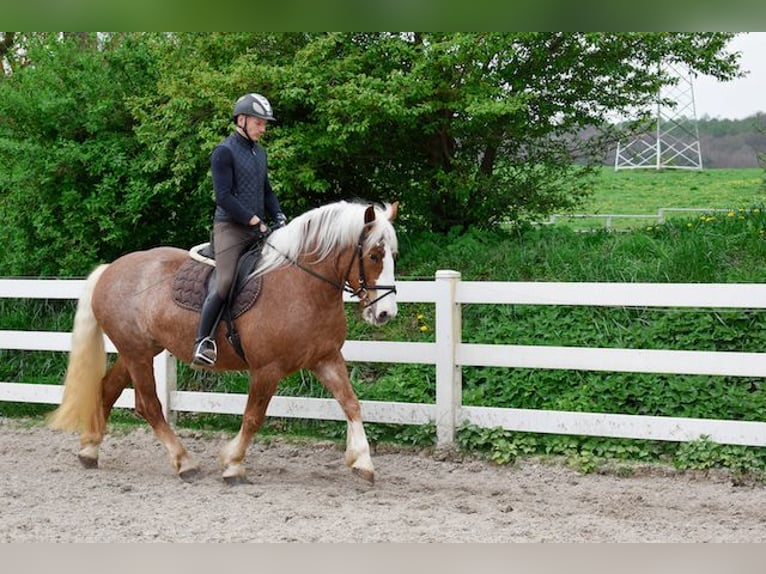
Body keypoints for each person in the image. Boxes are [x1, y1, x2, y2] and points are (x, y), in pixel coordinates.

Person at [192, 92, 287, 367]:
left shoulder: (260, 153)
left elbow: (265, 190)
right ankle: (203, 341)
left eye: (264, 123)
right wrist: (253, 220)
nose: (263, 128)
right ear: (242, 120)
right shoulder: (224, 151)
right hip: (230, 228)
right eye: (259, 122)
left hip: (257, 228)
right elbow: (223, 196)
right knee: (224, 282)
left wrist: (278, 215)